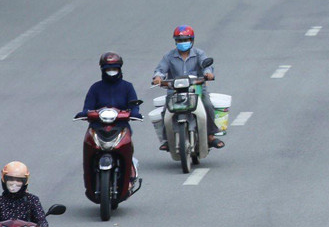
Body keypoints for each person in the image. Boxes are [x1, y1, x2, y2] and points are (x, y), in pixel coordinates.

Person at [77, 52, 142, 191]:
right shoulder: (95, 88)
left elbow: (134, 106)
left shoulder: (127, 87)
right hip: (98, 127)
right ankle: (90, 175)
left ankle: (130, 175)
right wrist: (85, 113)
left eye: (114, 68)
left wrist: (134, 113)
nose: (111, 72)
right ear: (102, 70)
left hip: (120, 127)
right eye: (108, 69)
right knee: (89, 148)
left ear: (120, 69)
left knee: (128, 149)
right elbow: (87, 107)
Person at [152, 26, 224, 150]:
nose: (182, 43)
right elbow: (160, 70)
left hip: (197, 89)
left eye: (186, 40)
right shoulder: (169, 56)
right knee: (166, 111)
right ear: (175, 41)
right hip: (175, 91)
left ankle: (210, 136)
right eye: (179, 40)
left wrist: (208, 73)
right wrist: (158, 77)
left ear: (192, 40)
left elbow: (206, 65)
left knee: (207, 105)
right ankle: (167, 139)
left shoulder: (199, 53)